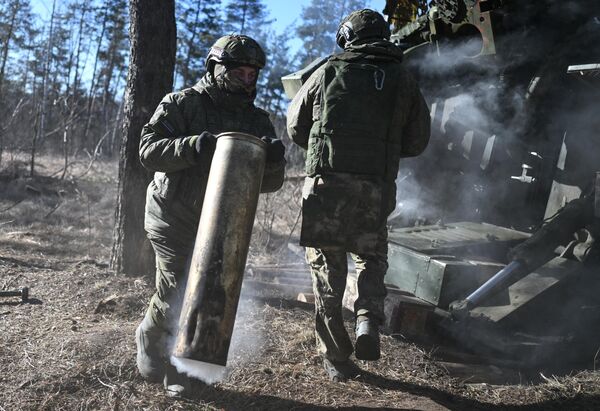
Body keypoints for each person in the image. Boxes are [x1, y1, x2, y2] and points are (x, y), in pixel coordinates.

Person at [135, 34, 285, 397]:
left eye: (252, 74)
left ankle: (181, 368)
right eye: (239, 72)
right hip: (172, 213)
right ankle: (150, 337)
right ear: (217, 68)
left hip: (221, 220)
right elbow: (148, 150)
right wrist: (193, 146)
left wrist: (274, 162)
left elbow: (268, 185)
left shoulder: (257, 120)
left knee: (209, 289)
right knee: (177, 286)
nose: (246, 80)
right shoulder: (183, 104)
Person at [286, 9, 430, 382]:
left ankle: (336, 357)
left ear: (347, 36)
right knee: (370, 257)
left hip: (326, 185)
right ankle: (367, 319)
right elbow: (418, 140)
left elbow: (295, 125)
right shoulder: (403, 79)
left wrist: (325, 151)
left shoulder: (327, 70)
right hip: (374, 187)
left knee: (326, 270)